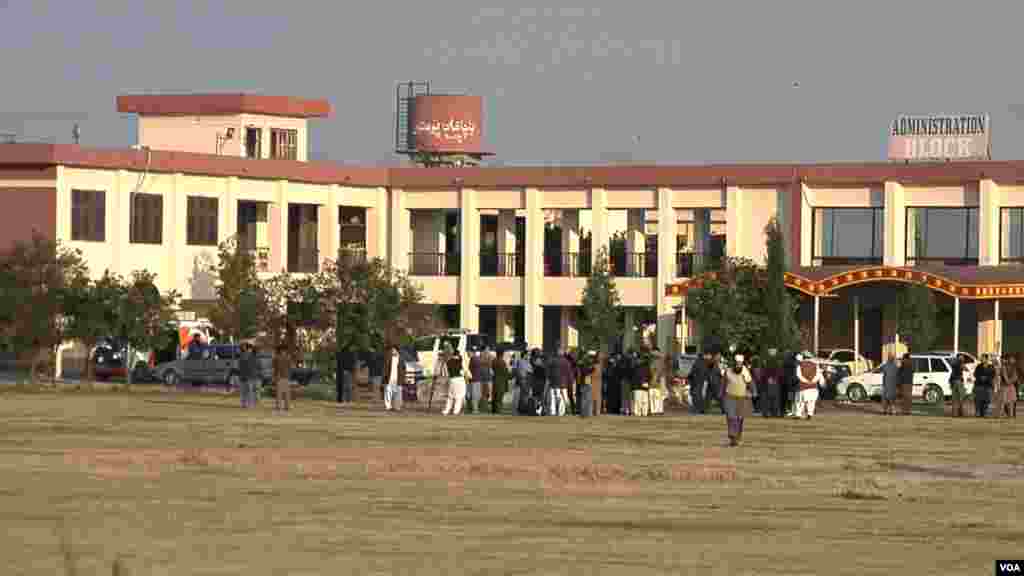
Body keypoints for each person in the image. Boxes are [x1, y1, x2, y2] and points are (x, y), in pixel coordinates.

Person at [722, 354, 753, 446]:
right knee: (731, 417)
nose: (738, 365)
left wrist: (753, 391)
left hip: (741, 398)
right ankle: (732, 437)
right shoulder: (728, 371)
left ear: (742, 364)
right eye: (736, 363)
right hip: (730, 397)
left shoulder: (745, 371)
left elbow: (750, 383)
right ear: (733, 363)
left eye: (739, 364)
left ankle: (738, 437)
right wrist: (721, 394)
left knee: (740, 419)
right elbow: (724, 383)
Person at [794, 354, 822, 419]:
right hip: (813, 386)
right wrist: (812, 381)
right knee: (811, 401)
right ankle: (810, 414)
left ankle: (798, 414)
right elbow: (818, 375)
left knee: (800, 401)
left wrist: (806, 381)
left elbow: (799, 375)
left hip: (803, 386)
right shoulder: (815, 365)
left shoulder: (800, 365)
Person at [760, 349, 782, 417]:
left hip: (768, 381)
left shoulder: (765, 361)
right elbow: (779, 371)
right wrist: (775, 378)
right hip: (774, 381)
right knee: (774, 398)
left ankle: (766, 413)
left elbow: (763, 371)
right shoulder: (778, 361)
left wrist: (767, 378)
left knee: (767, 398)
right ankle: (774, 413)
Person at [383, 345, 404, 412]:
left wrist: (403, 377)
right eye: (392, 350)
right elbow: (385, 368)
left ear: (397, 351)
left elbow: (403, 369)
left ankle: (397, 407)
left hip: (398, 379)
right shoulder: (389, 358)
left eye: (393, 350)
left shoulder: (401, 358)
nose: (392, 351)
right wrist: (385, 377)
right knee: (388, 392)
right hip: (389, 378)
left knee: (398, 393)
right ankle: (388, 407)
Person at [547, 349, 567, 416]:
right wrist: (570, 381)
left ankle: (553, 411)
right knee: (562, 397)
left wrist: (549, 378)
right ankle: (561, 412)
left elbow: (548, 371)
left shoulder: (552, 361)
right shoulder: (566, 361)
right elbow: (569, 372)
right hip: (563, 382)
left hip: (554, 382)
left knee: (553, 397)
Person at [238, 342, 259, 408]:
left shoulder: (251, 356)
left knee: (248, 391)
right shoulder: (243, 356)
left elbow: (253, 366)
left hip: (249, 376)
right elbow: (240, 366)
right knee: (245, 391)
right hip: (245, 376)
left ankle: (248, 403)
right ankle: (245, 403)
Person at [274, 343, 291, 412]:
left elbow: (275, 368)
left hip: (280, 376)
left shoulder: (276, 357)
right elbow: (290, 367)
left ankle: (279, 406)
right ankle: (286, 406)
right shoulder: (288, 357)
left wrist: (275, 376)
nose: (283, 351)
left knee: (279, 393)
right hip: (285, 376)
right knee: (286, 393)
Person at [948, 353, 966, 417]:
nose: (963, 358)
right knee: (960, 398)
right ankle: (959, 413)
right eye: (962, 357)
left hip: (953, 381)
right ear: (959, 357)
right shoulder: (959, 363)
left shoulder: (955, 363)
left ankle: (955, 413)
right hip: (958, 381)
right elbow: (965, 369)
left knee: (955, 398)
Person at [1001, 354, 1019, 418]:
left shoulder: (1014, 367)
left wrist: (1010, 381)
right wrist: (1008, 381)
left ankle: (1011, 415)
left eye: (1013, 359)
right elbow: (1004, 375)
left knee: (1012, 401)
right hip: (1005, 386)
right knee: (1004, 401)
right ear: (1008, 359)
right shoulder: (1004, 366)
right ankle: (1002, 414)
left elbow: (1015, 377)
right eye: (1011, 359)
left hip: (1011, 385)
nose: (1012, 360)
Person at [492, 350, 509, 414]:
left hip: (495, 379)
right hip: (501, 381)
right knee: (499, 396)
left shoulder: (494, 361)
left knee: (495, 395)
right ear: (502, 354)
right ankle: (498, 410)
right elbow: (505, 372)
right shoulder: (502, 362)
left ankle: (494, 409)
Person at [467, 348, 482, 414]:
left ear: (472, 352)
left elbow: (472, 370)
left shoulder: (474, 359)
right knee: (474, 395)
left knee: (474, 395)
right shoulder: (475, 359)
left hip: (474, 380)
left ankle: (474, 409)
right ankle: (474, 409)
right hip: (475, 379)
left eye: (468, 352)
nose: (467, 354)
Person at [480, 346, 495, 413]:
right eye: (487, 349)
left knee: (488, 393)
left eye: (488, 349)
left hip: (488, 377)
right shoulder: (481, 356)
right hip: (484, 377)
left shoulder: (490, 356)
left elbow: (492, 365)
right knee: (484, 393)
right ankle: (484, 407)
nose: (488, 351)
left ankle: (485, 407)